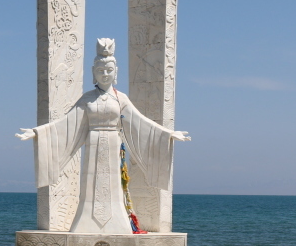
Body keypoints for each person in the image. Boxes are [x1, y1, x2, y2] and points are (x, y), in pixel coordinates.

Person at [17, 38, 189, 234]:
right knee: (90, 187)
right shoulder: (87, 99)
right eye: (101, 70)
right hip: (92, 143)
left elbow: (140, 122)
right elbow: (66, 123)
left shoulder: (120, 98)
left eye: (109, 70)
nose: (105, 74)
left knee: (114, 187)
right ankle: (85, 220)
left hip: (114, 144)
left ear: (116, 72)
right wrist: (38, 132)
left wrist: (166, 134)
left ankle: (118, 221)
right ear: (93, 72)